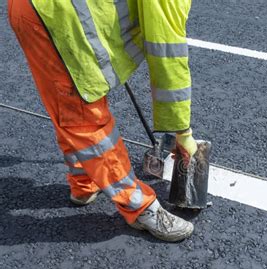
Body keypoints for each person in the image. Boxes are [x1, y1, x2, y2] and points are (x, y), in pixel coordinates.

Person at [7, 0, 197, 242]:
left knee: (71, 100)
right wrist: (183, 133)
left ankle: (84, 184)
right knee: (82, 114)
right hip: (56, 18)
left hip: (42, 11)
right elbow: (167, 55)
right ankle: (139, 206)